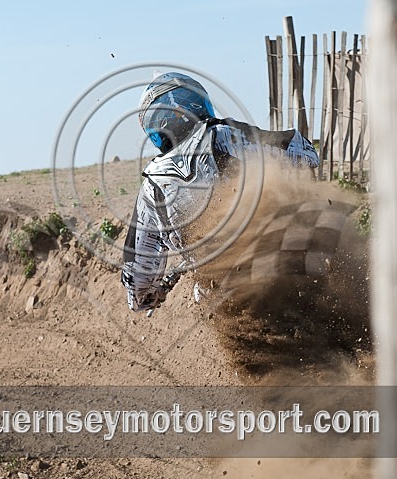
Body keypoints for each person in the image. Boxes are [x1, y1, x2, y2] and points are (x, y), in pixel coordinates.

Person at [121, 72, 319, 312]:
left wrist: (155, 294)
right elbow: (305, 153)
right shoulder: (224, 134)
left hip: (219, 297)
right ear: (194, 103)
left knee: (207, 299)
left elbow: (138, 289)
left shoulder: (151, 186)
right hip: (280, 262)